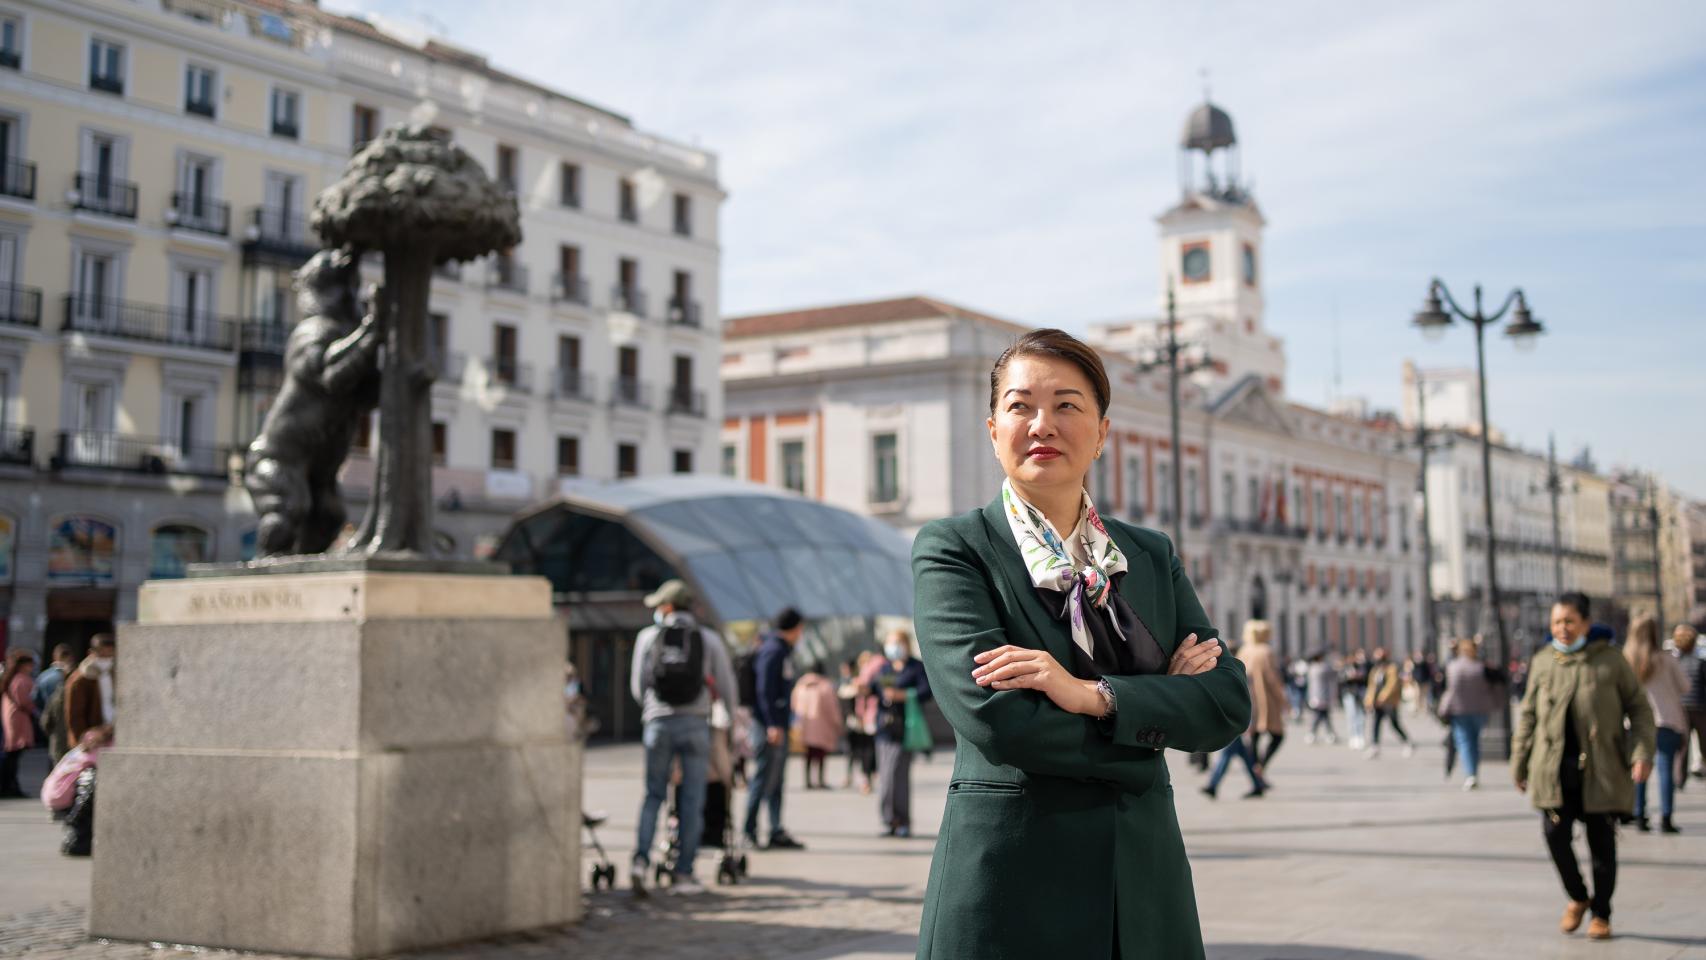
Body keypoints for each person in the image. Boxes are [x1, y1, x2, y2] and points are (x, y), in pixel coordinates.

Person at [911, 328, 1249, 958]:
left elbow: (1228, 703)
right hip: (1010, 888)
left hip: (1144, 889)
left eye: (1068, 405)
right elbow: (999, 720)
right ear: (992, 429)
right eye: (1020, 406)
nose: (1043, 424)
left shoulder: (1148, 555)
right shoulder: (955, 549)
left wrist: (1091, 697)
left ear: (1102, 432)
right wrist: (1153, 727)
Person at [1513, 592, 1656, 942]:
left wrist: (1641, 753)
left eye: (1569, 621)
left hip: (1602, 767)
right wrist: (1520, 762)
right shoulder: (1544, 661)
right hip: (1554, 769)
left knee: (1602, 844)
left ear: (1585, 624)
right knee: (1554, 836)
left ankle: (1602, 914)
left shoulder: (1610, 660)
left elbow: (1638, 709)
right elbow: (1529, 714)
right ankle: (1578, 896)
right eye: (1556, 622)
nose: (1562, 628)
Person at [627, 579, 737, 896]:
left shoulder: (648, 637)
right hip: (695, 723)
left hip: (658, 723)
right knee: (692, 799)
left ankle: (640, 862)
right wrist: (728, 722)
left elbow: (638, 687)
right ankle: (684, 872)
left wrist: (652, 710)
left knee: (653, 795)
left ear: (668, 607)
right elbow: (727, 686)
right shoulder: (707, 638)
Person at [743, 607, 806, 851]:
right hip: (767, 726)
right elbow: (764, 691)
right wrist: (771, 724)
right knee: (762, 779)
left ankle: (775, 829)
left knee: (776, 780)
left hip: (776, 724)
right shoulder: (773, 651)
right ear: (795, 628)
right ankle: (749, 831)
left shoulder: (780, 650)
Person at [1625, 618, 1686, 833]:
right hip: (1667, 719)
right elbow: (1684, 686)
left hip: (1636, 722)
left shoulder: (1627, 660)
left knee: (1639, 766)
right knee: (1665, 768)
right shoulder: (1667, 660)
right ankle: (1666, 816)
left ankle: (1639, 813)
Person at [870, 629, 931, 835]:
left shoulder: (915, 667)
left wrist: (903, 695)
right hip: (883, 729)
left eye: (897, 642)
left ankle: (903, 820)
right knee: (885, 777)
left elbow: (925, 691)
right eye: (890, 643)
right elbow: (874, 688)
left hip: (904, 729)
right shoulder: (885, 668)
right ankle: (890, 820)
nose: (893, 647)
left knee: (898, 776)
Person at [1437, 638, 1498, 790]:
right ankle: (1474, 772)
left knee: (1464, 742)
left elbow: (1447, 687)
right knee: (1475, 742)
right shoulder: (1480, 666)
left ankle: (1470, 775)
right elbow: (1495, 681)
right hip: (1479, 710)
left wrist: (1444, 708)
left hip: (1460, 711)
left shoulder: (1453, 666)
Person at [1238, 620, 1286, 782]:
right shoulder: (1266, 651)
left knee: (1253, 736)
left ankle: (1256, 771)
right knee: (1277, 736)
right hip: (1266, 700)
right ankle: (1260, 768)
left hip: (1248, 699)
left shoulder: (1244, 651)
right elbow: (1272, 679)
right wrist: (1283, 699)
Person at [791, 662, 841, 790]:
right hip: (821, 726)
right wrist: (838, 723)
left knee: (807, 754)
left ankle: (807, 780)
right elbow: (832, 709)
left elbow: (794, 705)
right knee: (820, 755)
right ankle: (820, 780)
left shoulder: (800, 686)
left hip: (804, 726)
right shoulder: (825, 687)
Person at [65, 635, 117, 747]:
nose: (106, 658)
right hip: (92, 737)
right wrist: (81, 740)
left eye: (110, 654)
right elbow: (75, 714)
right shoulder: (80, 679)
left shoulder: (116, 673)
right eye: (102, 654)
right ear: (91, 653)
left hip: (114, 731)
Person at [1, 648, 38, 797]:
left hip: (12, 717)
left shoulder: (11, 678)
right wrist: (35, 710)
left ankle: (9, 785)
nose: (32, 668)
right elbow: (24, 701)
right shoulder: (21, 679)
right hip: (19, 719)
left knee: (12, 755)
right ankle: (9, 786)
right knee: (13, 755)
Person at [1364, 647, 1412, 758]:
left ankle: (1407, 742)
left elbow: (1392, 684)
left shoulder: (1391, 669)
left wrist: (1382, 697)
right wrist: (1369, 700)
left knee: (1394, 723)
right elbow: (1372, 686)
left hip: (1389, 702)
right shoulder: (1375, 670)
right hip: (1377, 703)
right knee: (1376, 723)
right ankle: (1375, 746)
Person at [1675, 625, 1705, 787]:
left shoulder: (1676, 662)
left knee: (1683, 746)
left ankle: (1680, 778)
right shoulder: (1700, 662)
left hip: (1682, 708)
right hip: (1700, 707)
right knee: (1704, 742)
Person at [1304, 651, 1338, 744]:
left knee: (1323, 715)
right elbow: (1334, 672)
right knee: (1320, 715)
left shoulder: (1311, 668)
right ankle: (1317, 733)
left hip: (1314, 696)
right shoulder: (1322, 668)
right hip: (1322, 696)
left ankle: (1328, 733)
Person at [1341, 650, 1369, 749]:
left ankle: (1360, 736)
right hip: (1349, 694)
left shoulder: (1362, 667)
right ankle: (1353, 736)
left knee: (1361, 715)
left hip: (1360, 694)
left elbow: (1367, 678)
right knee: (1351, 716)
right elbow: (1340, 680)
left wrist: (1358, 676)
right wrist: (1349, 677)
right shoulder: (1345, 668)